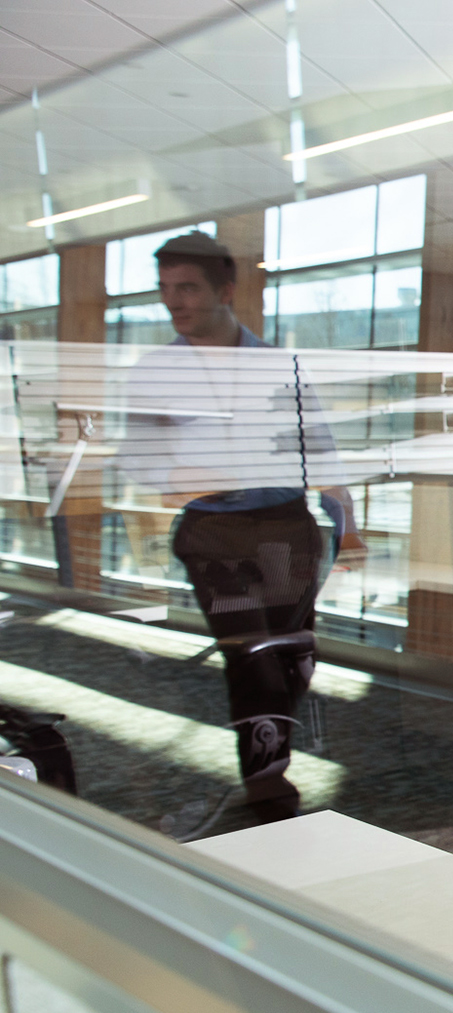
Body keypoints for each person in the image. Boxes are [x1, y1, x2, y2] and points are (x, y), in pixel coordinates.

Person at [119, 232, 365, 821]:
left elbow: (319, 449)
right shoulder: (156, 373)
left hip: (288, 528)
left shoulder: (278, 366)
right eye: (165, 289)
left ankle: (270, 739)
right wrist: (190, 475)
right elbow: (139, 462)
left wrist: (347, 524)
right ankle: (267, 780)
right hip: (213, 531)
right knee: (250, 654)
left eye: (187, 288)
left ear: (225, 289)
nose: (173, 301)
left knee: (294, 656)